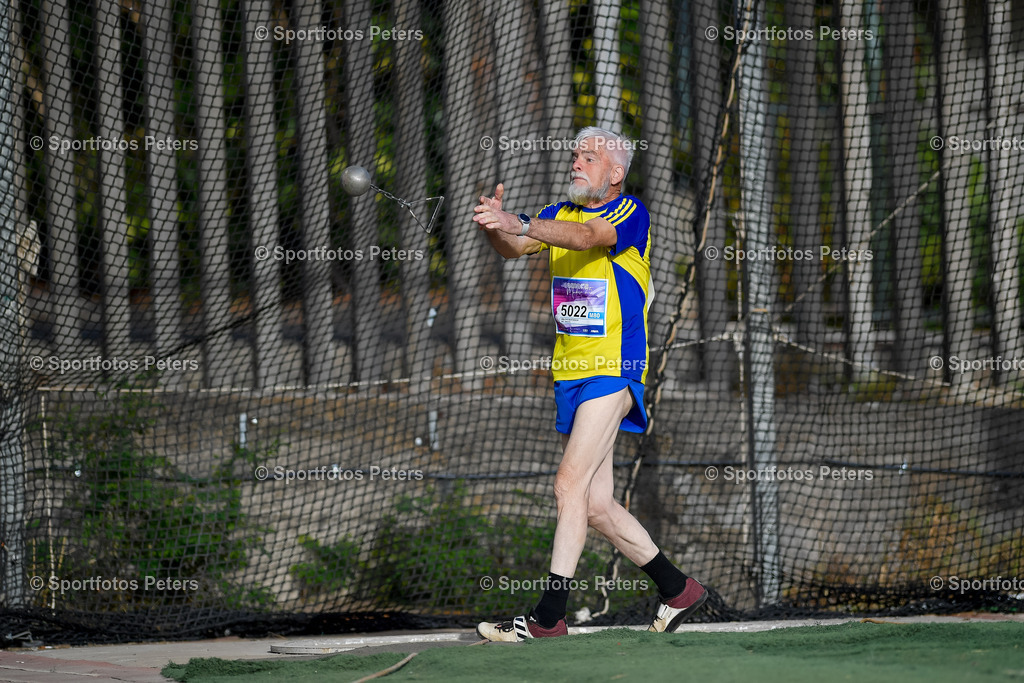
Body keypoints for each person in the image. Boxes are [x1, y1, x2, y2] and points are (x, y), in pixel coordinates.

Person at [472, 127, 707, 641]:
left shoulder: (627, 212)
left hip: (613, 367)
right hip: (570, 374)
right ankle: (678, 588)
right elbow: (514, 248)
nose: (577, 162)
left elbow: (584, 239)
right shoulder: (558, 212)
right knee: (596, 505)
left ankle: (547, 617)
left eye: (589, 157)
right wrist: (497, 224)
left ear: (615, 174)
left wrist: (522, 222)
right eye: (575, 155)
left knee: (567, 484)